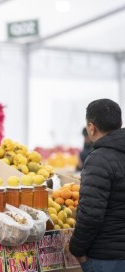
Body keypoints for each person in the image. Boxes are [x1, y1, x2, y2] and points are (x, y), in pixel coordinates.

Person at [69, 99, 125, 271]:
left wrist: (76, 249)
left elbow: (91, 214)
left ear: (91, 128)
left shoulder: (99, 159)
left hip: (106, 257)